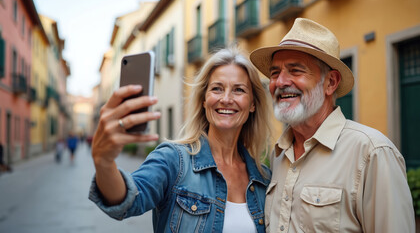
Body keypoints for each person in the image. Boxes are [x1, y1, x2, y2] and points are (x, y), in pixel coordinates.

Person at [249, 18, 415, 232]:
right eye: (274, 73)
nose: (280, 82)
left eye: (296, 70)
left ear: (331, 83)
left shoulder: (372, 153)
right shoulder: (279, 155)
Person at [89, 47, 273, 232]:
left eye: (238, 90)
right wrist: (103, 162)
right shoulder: (173, 160)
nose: (226, 99)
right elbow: (129, 200)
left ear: (252, 104)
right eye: (217, 88)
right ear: (204, 100)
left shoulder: (263, 179)